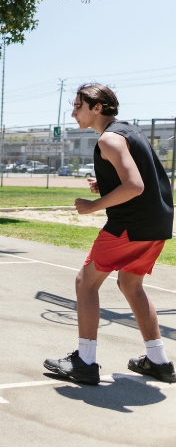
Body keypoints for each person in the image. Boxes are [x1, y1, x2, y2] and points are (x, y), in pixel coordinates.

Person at [45, 84, 175, 384]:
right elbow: (139, 179)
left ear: (97, 107)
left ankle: (85, 362)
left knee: (85, 282)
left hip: (130, 225)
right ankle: (159, 361)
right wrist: (104, 187)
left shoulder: (109, 140)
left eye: (78, 106)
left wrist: (94, 206)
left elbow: (134, 187)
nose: (73, 112)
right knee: (131, 285)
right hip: (157, 224)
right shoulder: (127, 131)